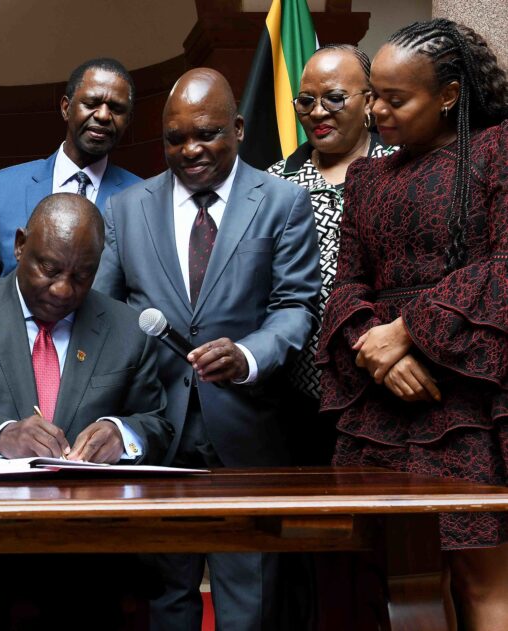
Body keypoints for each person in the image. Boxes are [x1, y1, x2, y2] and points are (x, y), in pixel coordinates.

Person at [94, 68, 321, 631]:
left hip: (248, 424)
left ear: (239, 129)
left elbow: (296, 305)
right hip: (156, 425)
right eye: (175, 139)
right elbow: (103, 312)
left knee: (250, 593)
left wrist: (247, 356)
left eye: (207, 134)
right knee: (166, 591)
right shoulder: (127, 207)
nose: (190, 149)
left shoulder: (283, 201)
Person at [317, 19, 508, 631]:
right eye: (373, 94)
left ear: (449, 95)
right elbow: (347, 284)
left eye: (394, 99)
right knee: (394, 584)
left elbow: (505, 265)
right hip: (382, 407)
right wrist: (378, 349)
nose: (376, 110)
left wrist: (407, 332)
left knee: (481, 579)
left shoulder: (495, 149)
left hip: (470, 399)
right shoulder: (368, 177)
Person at [0, 192, 173, 629]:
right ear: (18, 246)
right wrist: (2, 434)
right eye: (49, 269)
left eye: (81, 275)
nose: (64, 289)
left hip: (87, 551)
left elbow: (156, 422)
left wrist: (120, 433)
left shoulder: (127, 328)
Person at [267, 44, 394, 466]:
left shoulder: (402, 168)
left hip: (386, 383)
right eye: (306, 101)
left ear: (369, 101)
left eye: (334, 98)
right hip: (296, 395)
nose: (317, 112)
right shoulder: (274, 183)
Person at [0, 57, 142, 282]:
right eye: (91, 103)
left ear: (128, 120)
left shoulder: (141, 198)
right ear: (66, 108)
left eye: (116, 109)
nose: (103, 115)